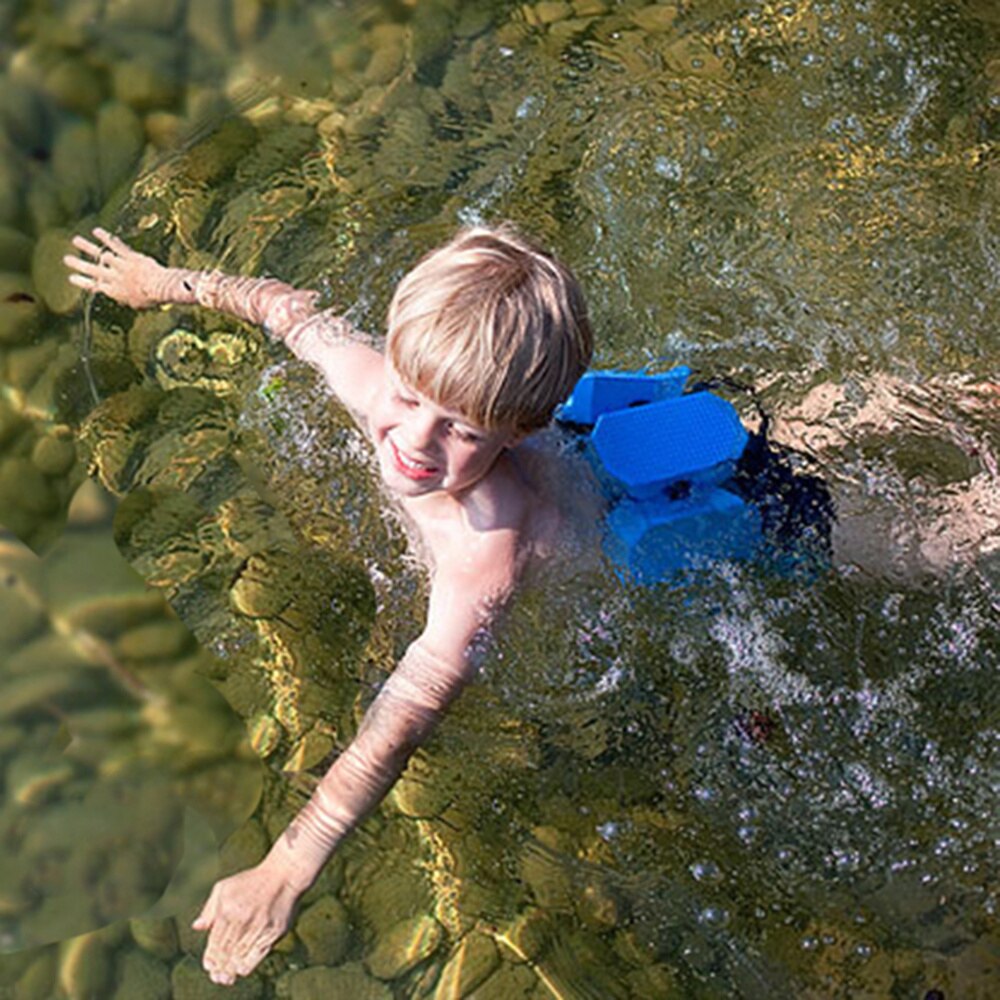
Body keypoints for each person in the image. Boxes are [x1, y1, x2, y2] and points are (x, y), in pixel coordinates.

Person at [65, 223, 594, 985]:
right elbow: (283, 311)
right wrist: (163, 284)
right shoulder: (377, 386)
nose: (412, 439)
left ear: (519, 433)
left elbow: (409, 709)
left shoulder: (488, 554)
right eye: (410, 396)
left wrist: (289, 864)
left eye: (461, 430)